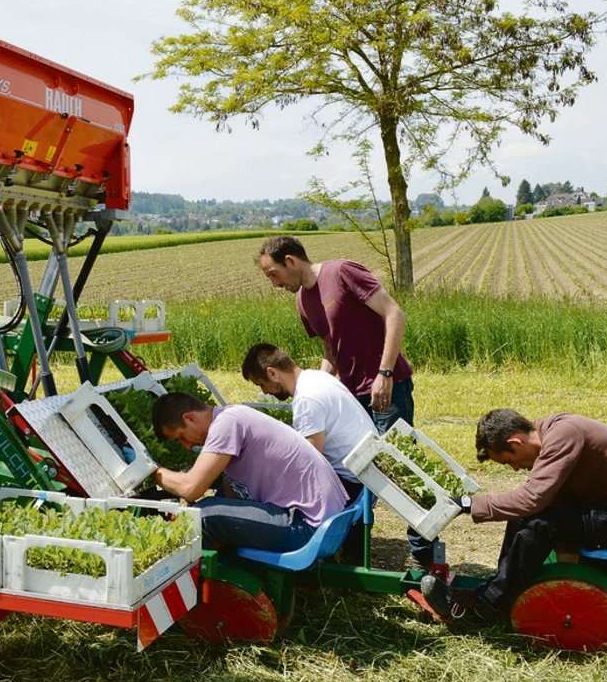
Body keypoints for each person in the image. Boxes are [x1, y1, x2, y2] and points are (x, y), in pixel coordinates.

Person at [256, 235, 433, 566]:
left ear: (291, 261)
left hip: (387, 388)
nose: (274, 283)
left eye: (273, 274)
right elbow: (330, 348)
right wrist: (317, 385)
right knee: (352, 473)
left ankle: (425, 557)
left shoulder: (342, 273)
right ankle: (350, 551)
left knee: (397, 472)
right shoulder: (302, 302)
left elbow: (394, 313)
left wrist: (385, 371)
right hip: (353, 394)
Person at [422, 408, 607, 624]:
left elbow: (532, 498)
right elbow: (541, 502)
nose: (514, 468)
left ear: (515, 442)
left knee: (541, 525)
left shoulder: (564, 435)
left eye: (508, 461)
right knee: (525, 517)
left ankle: (486, 606)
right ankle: (504, 594)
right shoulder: (553, 436)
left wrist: (468, 504)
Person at [151, 392, 347, 553]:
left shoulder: (225, 426)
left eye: (180, 438)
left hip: (308, 527)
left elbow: (190, 489)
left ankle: (210, 585)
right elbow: (230, 492)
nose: (186, 446)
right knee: (211, 504)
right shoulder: (233, 415)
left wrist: (151, 471)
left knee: (202, 516)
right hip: (327, 518)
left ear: (190, 418)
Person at [242, 342, 376, 499]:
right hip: (367, 473)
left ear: (272, 373)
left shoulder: (306, 398)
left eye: (261, 385)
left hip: (352, 483)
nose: (265, 392)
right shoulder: (317, 377)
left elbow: (309, 461)